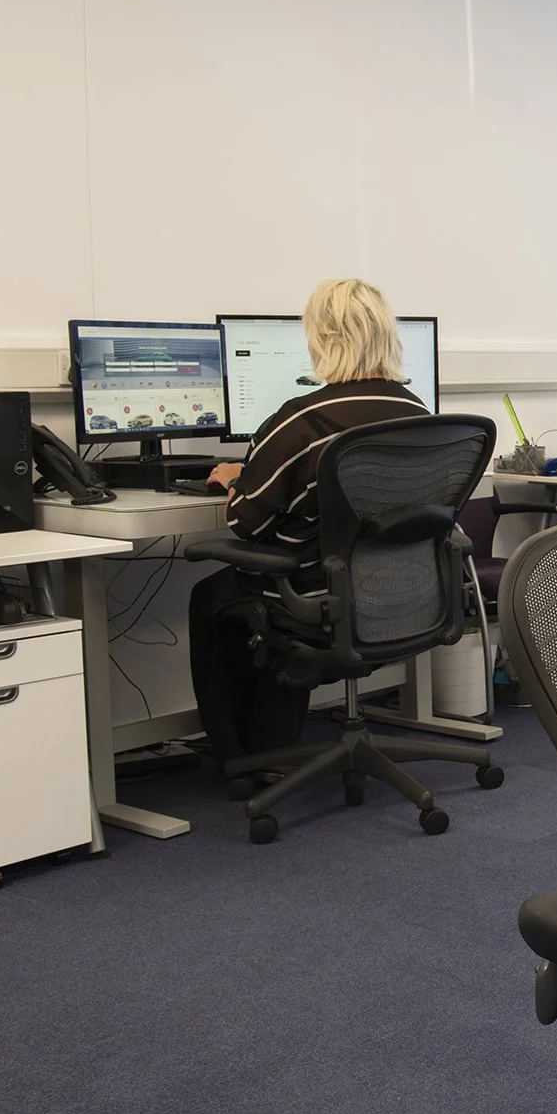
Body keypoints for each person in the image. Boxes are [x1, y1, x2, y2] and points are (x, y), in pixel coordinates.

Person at [187, 278, 431, 775]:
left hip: (320, 601)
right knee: (274, 583)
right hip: (406, 597)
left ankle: (241, 764)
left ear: (323, 339)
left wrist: (236, 482)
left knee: (213, 598)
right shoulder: (418, 414)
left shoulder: (301, 420)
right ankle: (271, 746)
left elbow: (246, 526)